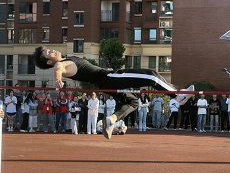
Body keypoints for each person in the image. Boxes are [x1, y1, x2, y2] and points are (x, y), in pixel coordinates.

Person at [32, 46, 194, 139]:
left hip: (105, 81)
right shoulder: (61, 64)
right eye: (49, 53)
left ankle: (111, 120)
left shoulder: (67, 60)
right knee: (151, 76)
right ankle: (178, 96)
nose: (53, 51)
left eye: (51, 49)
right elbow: (58, 68)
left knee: (133, 102)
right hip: (109, 77)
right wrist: (56, 79)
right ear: (49, 61)